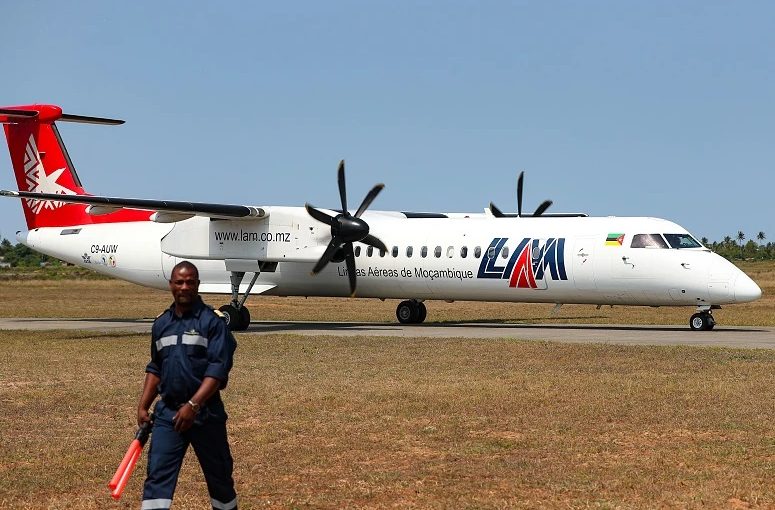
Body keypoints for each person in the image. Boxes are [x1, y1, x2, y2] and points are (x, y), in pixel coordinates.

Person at [137, 261, 238, 510]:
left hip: (205, 414)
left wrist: (193, 405)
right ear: (171, 285)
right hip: (168, 415)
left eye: (190, 282)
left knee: (220, 480)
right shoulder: (161, 324)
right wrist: (143, 405)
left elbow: (217, 369)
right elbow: (156, 366)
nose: (184, 287)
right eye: (179, 282)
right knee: (157, 480)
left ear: (198, 285)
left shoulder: (213, 323)